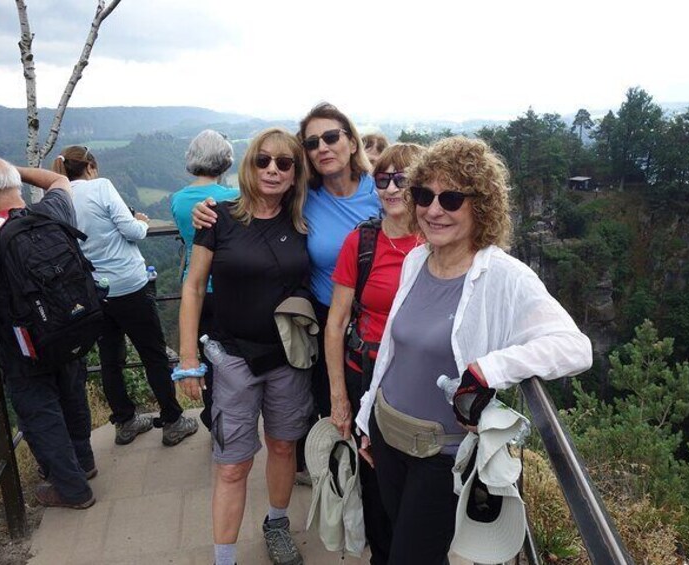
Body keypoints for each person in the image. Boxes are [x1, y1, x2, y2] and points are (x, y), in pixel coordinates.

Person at [354, 137, 593, 564]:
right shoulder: (417, 260)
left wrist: (492, 368)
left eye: (451, 198)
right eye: (424, 195)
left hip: (439, 456)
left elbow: (574, 347)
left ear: (480, 206)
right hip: (387, 435)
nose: (433, 209)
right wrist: (366, 417)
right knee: (394, 543)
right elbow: (393, 350)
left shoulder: (502, 275)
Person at [193, 103, 381, 484]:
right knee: (333, 412)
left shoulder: (382, 189)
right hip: (325, 319)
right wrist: (209, 209)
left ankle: (382, 501)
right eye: (312, 142)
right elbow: (258, 204)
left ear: (350, 139)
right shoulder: (304, 194)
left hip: (379, 320)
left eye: (331, 137)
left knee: (379, 415)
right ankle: (344, 497)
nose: (323, 147)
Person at [176, 128, 314, 565]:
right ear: (249, 165)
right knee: (232, 463)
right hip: (233, 356)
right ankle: (224, 558)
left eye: (284, 163)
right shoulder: (217, 216)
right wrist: (188, 358)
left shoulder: (304, 218)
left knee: (282, 447)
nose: (273, 169)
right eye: (263, 161)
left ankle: (276, 523)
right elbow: (194, 288)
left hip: (289, 357)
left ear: (295, 174)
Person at [0, 157, 96, 509]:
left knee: (40, 411)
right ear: (14, 184)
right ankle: (85, 464)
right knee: (72, 392)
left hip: (24, 346)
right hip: (68, 328)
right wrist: (13, 171)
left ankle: (73, 490)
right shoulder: (53, 212)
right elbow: (59, 182)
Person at [53, 146, 198, 447]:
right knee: (153, 354)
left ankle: (125, 421)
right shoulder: (101, 186)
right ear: (91, 166)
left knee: (110, 358)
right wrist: (141, 221)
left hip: (94, 290)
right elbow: (132, 232)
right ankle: (172, 421)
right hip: (129, 285)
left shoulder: (59, 195)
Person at [325, 143, 425, 565]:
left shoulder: (440, 237)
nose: (389, 188)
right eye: (381, 180)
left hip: (421, 379)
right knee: (376, 478)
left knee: (422, 481)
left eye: (401, 179)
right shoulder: (361, 242)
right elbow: (336, 322)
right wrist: (338, 397)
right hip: (367, 375)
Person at [171, 130, 238, 431]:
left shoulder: (178, 200)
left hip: (195, 291)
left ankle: (212, 417)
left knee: (208, 359)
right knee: (230, 360)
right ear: (225, 160)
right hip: (226, 290)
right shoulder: (234, 199)